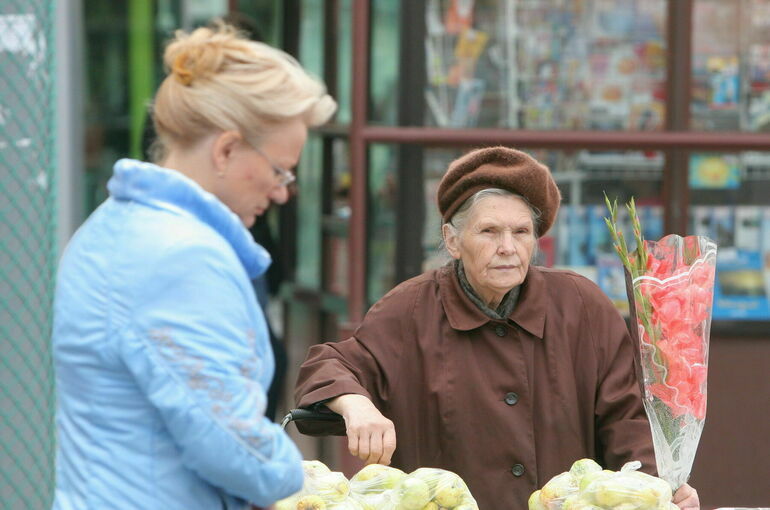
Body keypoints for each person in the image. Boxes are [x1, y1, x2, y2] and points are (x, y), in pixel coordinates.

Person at [294, 147, 699, 510]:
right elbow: (329, 365)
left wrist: (657, 489)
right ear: (452, 241)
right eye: (489, 231)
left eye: (521, 232)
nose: (508, 247)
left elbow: (627, 419)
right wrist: (356, 404)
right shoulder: (410, 309)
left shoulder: (582, 306)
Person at [51, 23, 336, 510]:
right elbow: (235, 447)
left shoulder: (109, 228)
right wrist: (303, 478)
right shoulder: (182, 257)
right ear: (225, 149)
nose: (283, 191)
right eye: (279, 169)